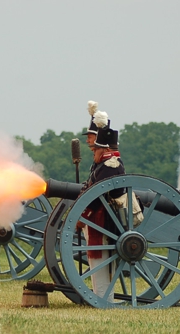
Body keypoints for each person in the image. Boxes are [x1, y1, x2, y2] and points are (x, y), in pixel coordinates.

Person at [77, 111, 126, 300]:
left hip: (105, 220)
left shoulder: (111, 166)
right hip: (100, 219)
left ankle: (104, 298)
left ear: (104, 149)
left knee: (101, 262)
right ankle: (101, 296)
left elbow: (98, 196)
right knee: (97, 261)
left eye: (95, 148)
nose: (93, 151)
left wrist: (83, 216)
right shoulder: (103, 165)